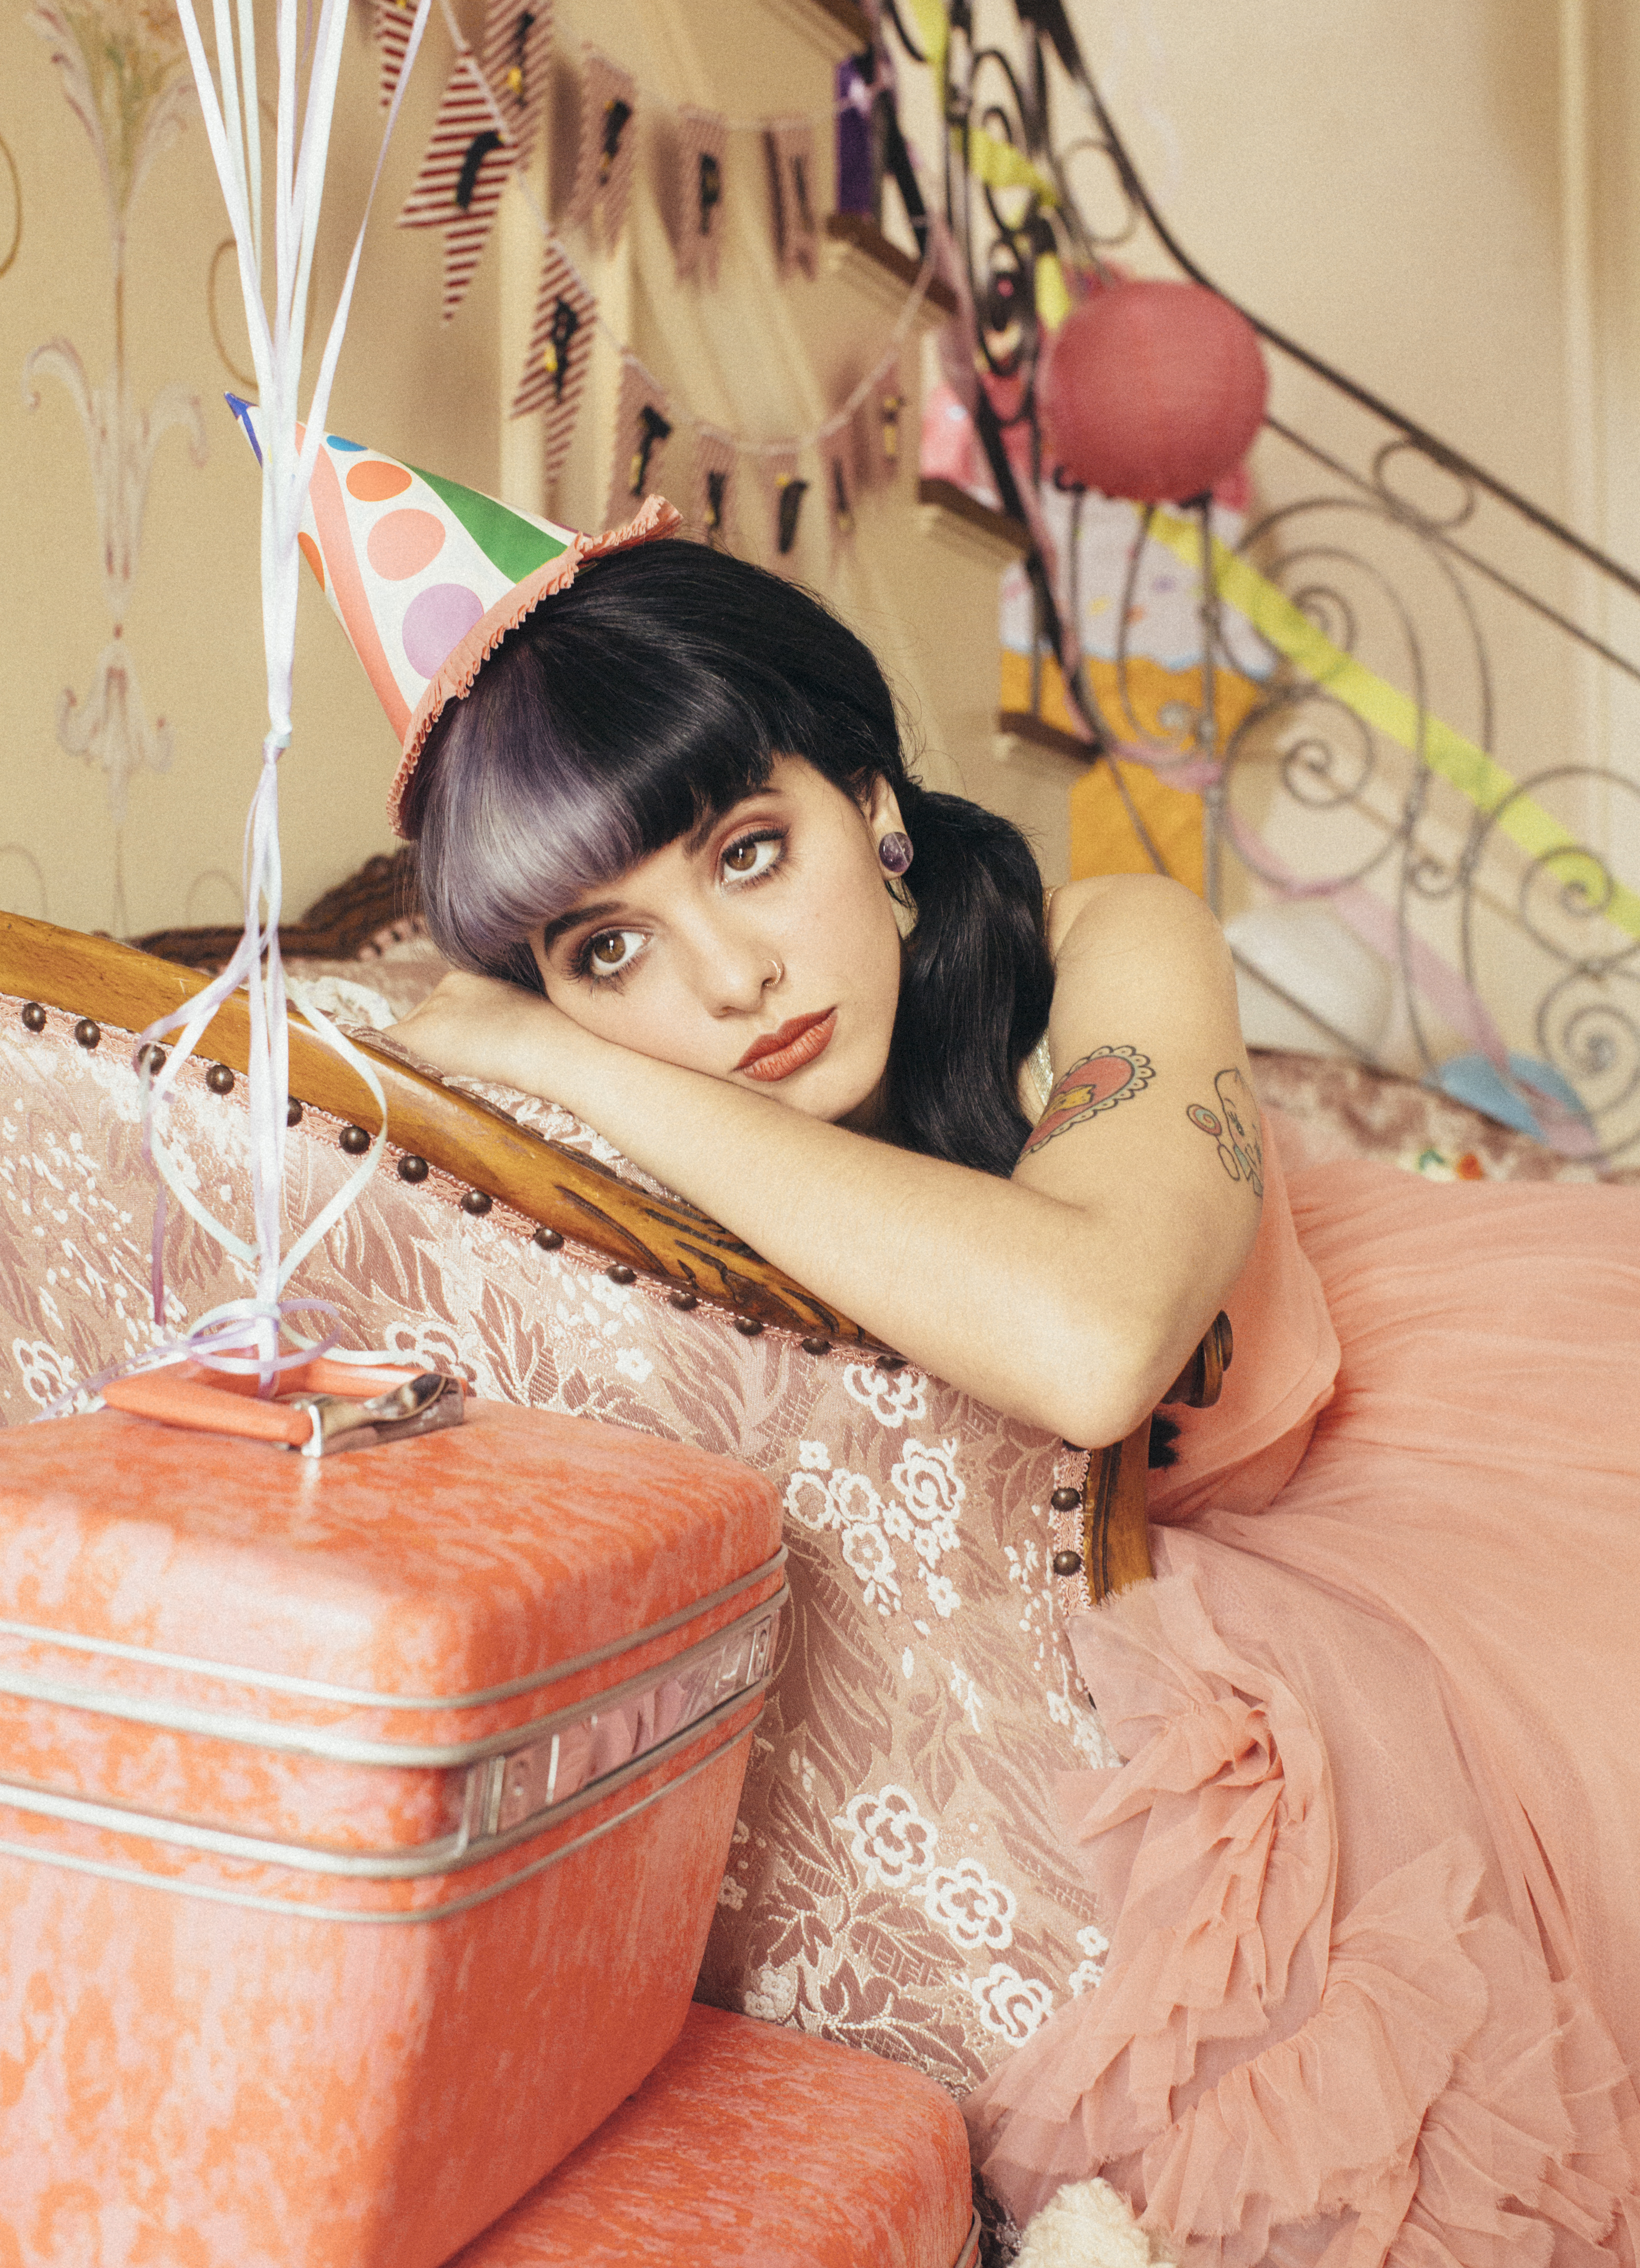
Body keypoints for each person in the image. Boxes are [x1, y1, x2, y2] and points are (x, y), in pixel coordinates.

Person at [255, 416, 1640, 2264]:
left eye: (750, 852)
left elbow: (1089, 1344)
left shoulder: (1115, 938)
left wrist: (578, 1045)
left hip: (1393, 1486)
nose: (727, 982)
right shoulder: (611, 1121)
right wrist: (564, 1064)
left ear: (873, 807)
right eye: (607, 952)